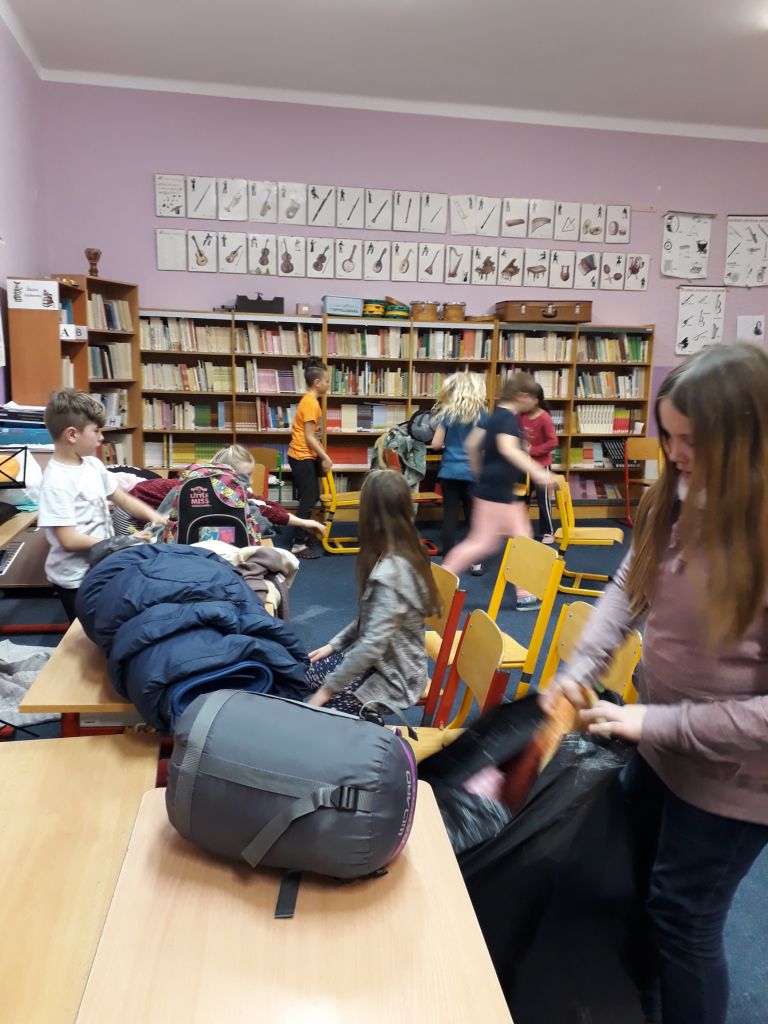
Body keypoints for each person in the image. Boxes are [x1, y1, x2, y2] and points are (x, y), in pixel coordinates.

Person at [542, 344, 768, 1024]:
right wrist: (582, 667)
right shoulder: (674, 496)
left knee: (684, 917)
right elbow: (629, 584)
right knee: (635, 877)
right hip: (659, 742)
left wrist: (656, 723)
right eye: (668, 436)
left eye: (691, 441)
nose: (674, 455)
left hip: (736, 778)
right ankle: (636, 1002)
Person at [306, 469, 441, 714]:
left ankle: (371, 728)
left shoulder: (391, 573)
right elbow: (369, 620)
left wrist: (327, 691)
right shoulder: (396, 551)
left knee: (322, 712)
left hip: (396, 679)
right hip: (381, 663)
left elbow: (371, 645)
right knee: (306, 673)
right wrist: (334, 645)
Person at [37, 389, 166, 621]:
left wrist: (154, 516)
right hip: (74, 578)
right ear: (72, 435)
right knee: (84, 632)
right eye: (96, 431)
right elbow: (68, 540)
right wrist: (122, 542)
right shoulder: (56, 482)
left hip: (100, 564)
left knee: (105, 623)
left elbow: (122, 498)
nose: (101, 438)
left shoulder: (93, 465)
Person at [442, 373, 563, 601]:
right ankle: (523, 593)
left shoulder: (494, 416)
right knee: (492, 542)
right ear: (522, 396)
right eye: (533, 398)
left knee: (513, 539)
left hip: (492, 489)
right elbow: (508, 450)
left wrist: (479, 474)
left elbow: (472, 444)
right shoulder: (507, 419)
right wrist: (539, 473)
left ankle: (522, 591)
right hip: (498, 492)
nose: (535, 403)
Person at [430, 371, 488, 574]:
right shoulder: (482, 416)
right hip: (473, 473)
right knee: (474, 519)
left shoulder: (448, 414)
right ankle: (476, 562)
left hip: (450, 472)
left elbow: (436, 444)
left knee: (450, 517)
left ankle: (447, 563)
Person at [210, 445, 326, 543]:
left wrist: (300, 521)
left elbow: (263, 503)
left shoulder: (213, 484)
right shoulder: (233, 495)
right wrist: (304, 522)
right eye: (247, 475)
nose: (251, 481)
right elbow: (267, 510)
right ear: (230, 474)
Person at [285, 358, 332, 559]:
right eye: (327, 381)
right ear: (317, 383)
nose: (329, 385)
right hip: (302, 456)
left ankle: (302, 533)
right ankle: (298, 544)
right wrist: (325, 457)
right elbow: (309, 437)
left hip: (303, 455)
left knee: (311, 497)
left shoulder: (310, 401)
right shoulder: (311, 403)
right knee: (309, 498)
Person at [517, 381, 558, 543]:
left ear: (536, 400)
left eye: (526, 397)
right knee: (521, 498)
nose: (522, 400)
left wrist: (532, 450)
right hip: (524, 465)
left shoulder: (544, 418)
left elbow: (552, 442)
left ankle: (548, 532)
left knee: (543, 499)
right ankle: (521, 529)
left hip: (541, 465)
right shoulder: (520, 416)